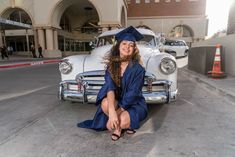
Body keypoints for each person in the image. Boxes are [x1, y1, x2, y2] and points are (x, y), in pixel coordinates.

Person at [77, 26, 148, 141]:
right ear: (118, 46)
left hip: (134, 104)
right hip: (117, 100)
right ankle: (123, 126)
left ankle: (120, 127)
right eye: (124, 44)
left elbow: (133, 94)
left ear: (134, 49)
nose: (127, 47)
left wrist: (116, 114)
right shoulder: (111, 66)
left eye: (131, 45)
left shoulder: (138, 69)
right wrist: (111, 111)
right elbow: (110, 88)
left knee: (122, 121)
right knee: (105, 103)